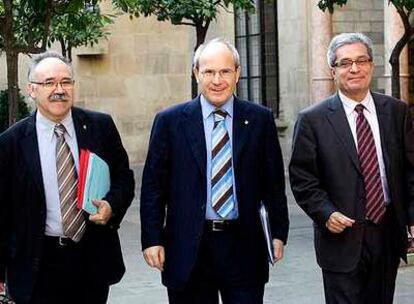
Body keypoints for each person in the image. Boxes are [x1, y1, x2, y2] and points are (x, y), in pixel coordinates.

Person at [140, 37, 289, 304]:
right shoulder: (170, 122)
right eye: (209, 71)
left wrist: (278, 233)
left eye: (225, 71)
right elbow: (153, 188)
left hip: (244, 247)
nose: (217, 80)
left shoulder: (259, 119)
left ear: (237, 74)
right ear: (196, 73)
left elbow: (274, 185)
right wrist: (151, 239)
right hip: (188, 249)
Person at [0, 51, 135, 304]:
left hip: (91, 257)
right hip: (38, 263)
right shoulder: (10, 143)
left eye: (66, 82)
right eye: (49, 83)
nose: (59, 90)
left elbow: (124, 178)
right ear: (32, 89)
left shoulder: (100, 127)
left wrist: (111, 206)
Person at [289, 32, 414, 304]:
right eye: (345, 63)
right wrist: (325, 212)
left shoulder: (396, 111)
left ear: (371, 65)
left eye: (361, 60)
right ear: (332, 70)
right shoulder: (313, 120)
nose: (354, 69)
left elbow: (409, 171)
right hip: (341, 237)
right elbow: (303, 179)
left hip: (387, 234)